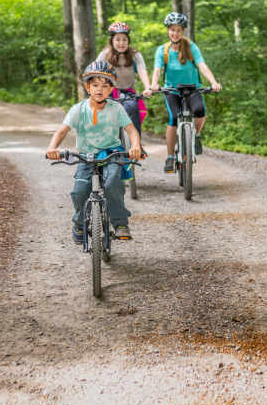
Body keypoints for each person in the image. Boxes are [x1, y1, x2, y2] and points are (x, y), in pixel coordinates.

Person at [46, 59, 141, 243]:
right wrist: (53, 147)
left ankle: (120, 223)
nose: (100, 89)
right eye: (95, 84)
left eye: (105, 86)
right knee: (80, 191)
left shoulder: (116, 108)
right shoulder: (78, 109)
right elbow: (62, 130)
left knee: (113, 183)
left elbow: (131, 130)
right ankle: (79, 224)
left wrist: (135, 146)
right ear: (88, 87)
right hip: (85, 156)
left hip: (111, 153)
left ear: (111, 89)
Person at [150, 12, 221, 173]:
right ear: (168, 30)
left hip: (192, 87)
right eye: (172, 30)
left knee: (200, 111)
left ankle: (195, 136)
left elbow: (202, 65)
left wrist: (213, 82)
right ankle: (170, 157)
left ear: (183, 32)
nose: (175, 33)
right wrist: (154, 84)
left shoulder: (191, 47)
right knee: (173, 118)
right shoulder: (163, 50)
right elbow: (157, 69)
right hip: (172, 89)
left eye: (178, 30)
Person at [98, 21, 152, 145]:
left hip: (128, 91)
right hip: (109, 92)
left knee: (133, 109)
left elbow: (142, 70)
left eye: (124, 40)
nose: (121, 43)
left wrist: (148, 87)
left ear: (128, 41)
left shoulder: (135, 55)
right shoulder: (104, 55)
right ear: (112, 41)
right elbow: (96, 73)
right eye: (118, 40)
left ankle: (136, 144)